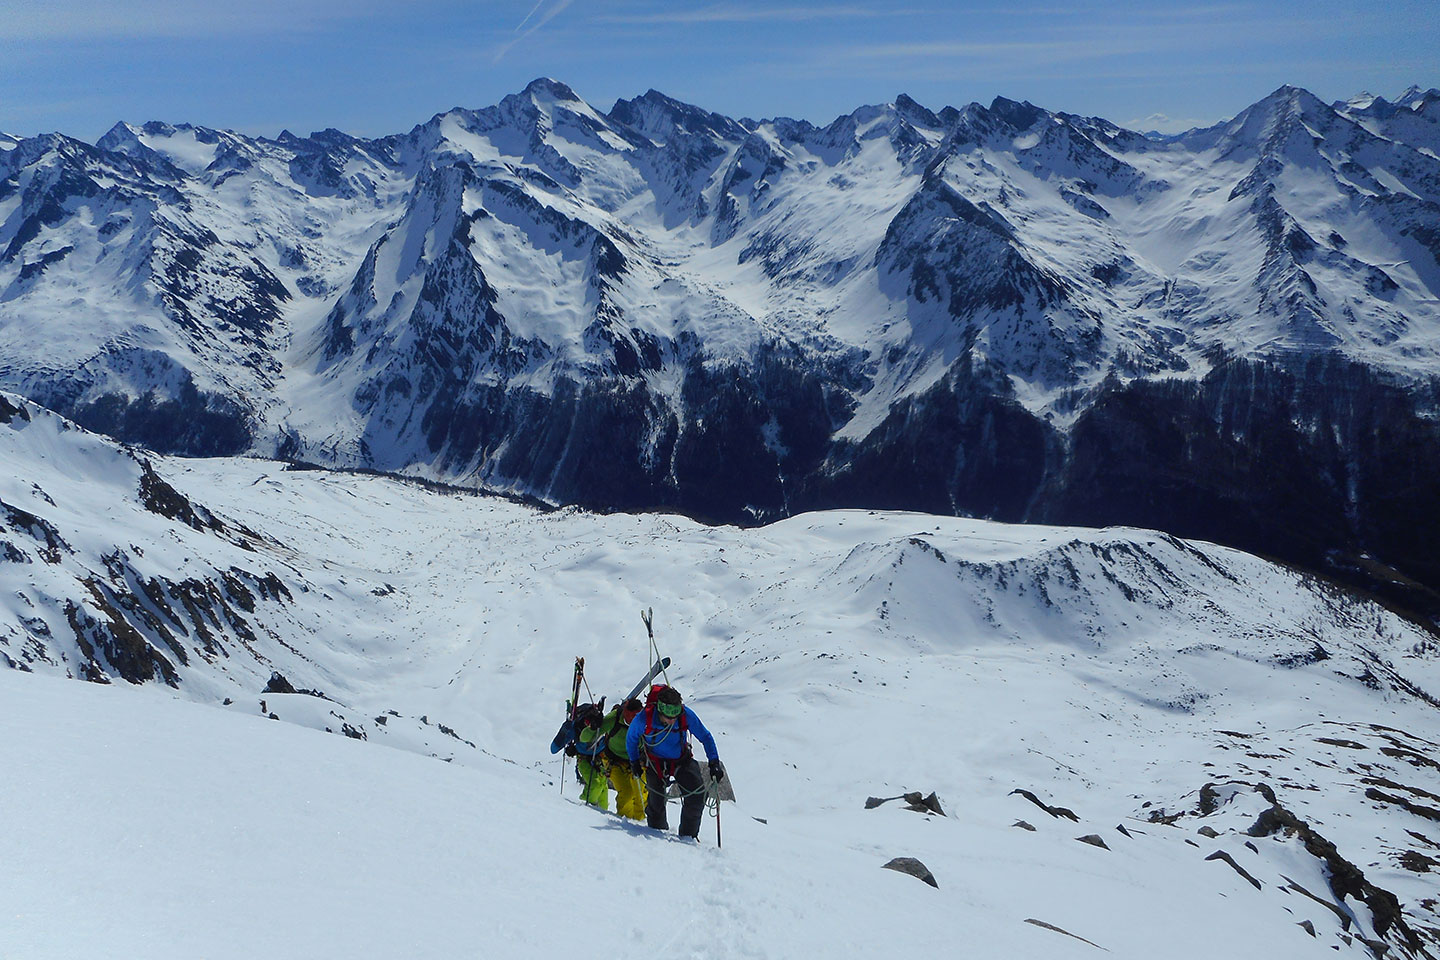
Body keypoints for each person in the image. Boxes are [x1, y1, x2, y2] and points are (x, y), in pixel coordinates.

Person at [626, 685, 724, 840]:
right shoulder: (644, 718)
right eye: (669, 715)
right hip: (655, 762)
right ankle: (657, 834)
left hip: (681, 760)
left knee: (696, 796)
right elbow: (631, 739)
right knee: (655, 804)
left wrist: (714, 762)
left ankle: (688, 837)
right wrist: (634, 762)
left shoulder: (685, 715)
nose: (672, 719)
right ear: (659, 709)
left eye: (675, 713)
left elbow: (705, 737)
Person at [550, 701, 610, 810]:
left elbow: (554, 748)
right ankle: (585, 808)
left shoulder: (600, 724)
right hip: (585, 758)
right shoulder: (576, 726)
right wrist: (566, 730)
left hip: (599, 757)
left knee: (602, 786)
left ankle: (602, 810)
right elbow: (554, 748)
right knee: (596, 783)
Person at [602, 698, 647, 821]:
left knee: (640, 794)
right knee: (628, 793)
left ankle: (638, 821)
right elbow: (590, 734)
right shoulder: (614, 718)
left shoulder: (644, 721)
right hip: (615, 761)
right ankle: (630, 821)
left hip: (637, 760)